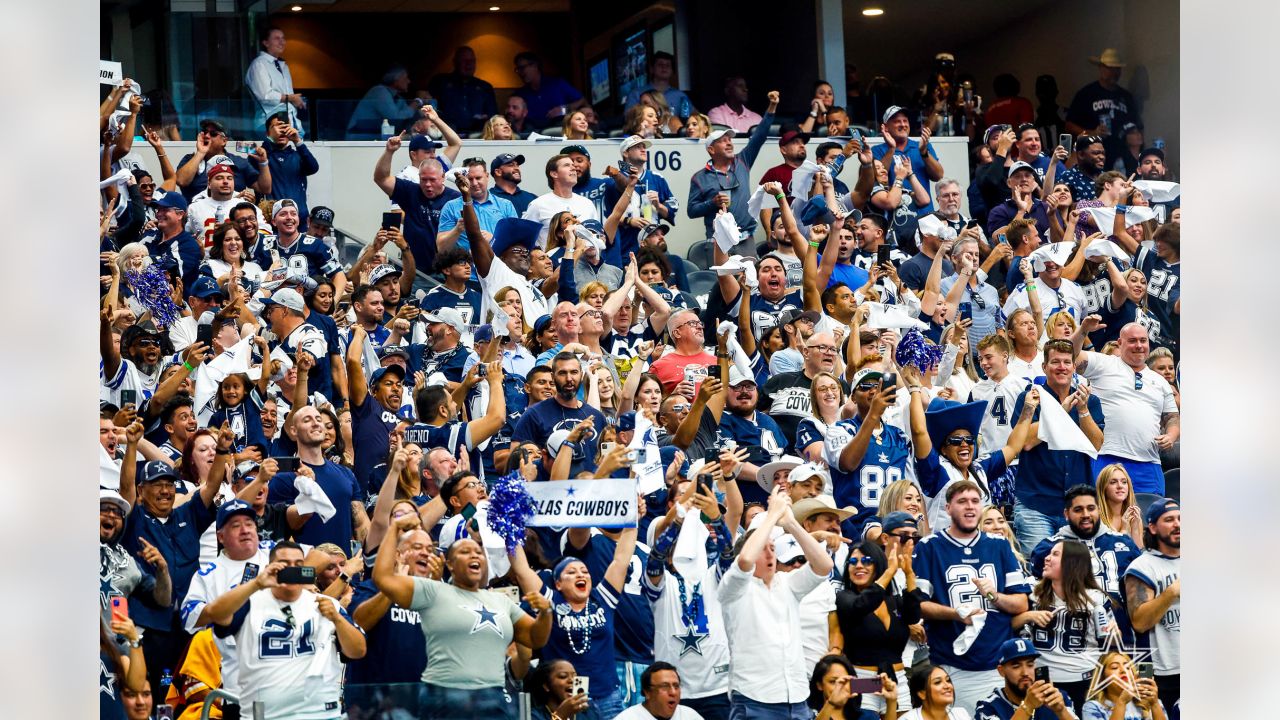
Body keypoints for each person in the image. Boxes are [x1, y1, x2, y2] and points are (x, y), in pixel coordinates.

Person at [206, 541, 367, 719]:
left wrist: (337, 620)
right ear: (270, 567)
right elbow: (215, 613)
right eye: (284, 565)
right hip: (264, 715)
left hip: (321, 714)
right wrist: (257, 584)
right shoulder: (250, 603)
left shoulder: (328, 605)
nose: (292, 570)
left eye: (298, 565)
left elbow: (358, 650)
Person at [912, 481, 1032, 715]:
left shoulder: (998, 545)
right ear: (948, 508)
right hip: (951, 665)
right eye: (962, 501)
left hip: (997, 664)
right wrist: (955, 613)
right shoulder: (930, 546)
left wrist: (993, 596)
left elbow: (1021, 603)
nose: (970, 507)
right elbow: (918, 606)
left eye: (975, 501)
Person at [718, 488, 834, 719]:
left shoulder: (788, 583)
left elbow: (824, 566)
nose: (771, 555)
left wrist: (790, 522)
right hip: (755, 699)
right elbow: (744, 560)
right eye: (764, 549)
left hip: (797, 697)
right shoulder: (733, 587)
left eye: (773, 548)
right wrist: (772, 516)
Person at [1009, 340, 1106, 552]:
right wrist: (1060, 411)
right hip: (1036, 504)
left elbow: (1096, 444)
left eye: (1066, 362)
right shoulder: (1030, 397)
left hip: (1077, 507)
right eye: (1055, 362)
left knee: (1078, 574)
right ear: (1044, 367)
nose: (1061, 367)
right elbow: (1025, 442)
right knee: (1039, 572)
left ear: (1073, 367)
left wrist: (1083, 411)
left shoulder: (1090, 400)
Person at [1070, 320, 1178, 494]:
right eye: (1132, 340)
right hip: (1107, 457)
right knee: (1108, 517)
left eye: (1143, 340)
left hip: (1149, 462)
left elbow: (1172, 417)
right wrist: (1083, 330)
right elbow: (1070, 356)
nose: (1139, 345)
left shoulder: (1160, 381)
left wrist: (1171, 436)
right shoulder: (1104, 363)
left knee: (1150, 517)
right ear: (1120, 343)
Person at [1016, 538, 1116, 712]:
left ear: (1072, 563)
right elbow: (1010, 624)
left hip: (1085, 679)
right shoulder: (1033, 591)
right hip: (1044, 679)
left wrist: (1114, 632)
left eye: (1055, 554)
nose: (1047, 558)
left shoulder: (1095, 598)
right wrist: (1028, 615)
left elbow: (1111, 639)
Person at [831, 539, 919, 715]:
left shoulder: (893, 601)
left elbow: (914, 615)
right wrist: (889, 572)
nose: (859, 566)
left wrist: (908, 573)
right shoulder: (845, 597)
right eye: (853, 562)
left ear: (877, 564)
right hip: (862, 679)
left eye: (867, 561)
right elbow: (861, 605)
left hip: (897, 679)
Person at [687, 91, 778, 254]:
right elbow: (691, 211)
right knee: (722, 280)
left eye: (730, 140)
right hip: (718, 241)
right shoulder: (699, 178)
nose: (729, 143)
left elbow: (760, 135)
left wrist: (772, 106)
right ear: (711, 149)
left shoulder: (743, 160)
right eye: (723, 141)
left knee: (749, 280)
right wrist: (712, 203)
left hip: (745, 240)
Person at [373, 135, 462, 271]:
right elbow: (381, 178)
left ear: (443, 177)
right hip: (415, 270)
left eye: (432, 180)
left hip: (447, 269)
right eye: (423, 179)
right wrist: (389, 152)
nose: (427, 184)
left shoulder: (456, 199)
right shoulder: (411, 191)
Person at [1123, 499, 1180, 712]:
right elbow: (1139, 621)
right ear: (1153, 527)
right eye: (1169, 520)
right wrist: (1171, 592)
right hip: (1160, 670)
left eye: (1180, 519)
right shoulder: (1142, 567)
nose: (1177, 524)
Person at [1065, 49, 1142, 167]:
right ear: (1101, 68)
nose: (1114, 73)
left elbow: (1136, 126)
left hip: (1121, 158)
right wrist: (1092, 133)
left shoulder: (1126, 97)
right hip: (1093, 156)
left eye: (1117, 69)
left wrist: (1133, 139)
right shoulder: (1086, 94)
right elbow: (1069, 125)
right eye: (1110, 68)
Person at [974, 639, 1075, 720]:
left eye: (1030, 665)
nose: (1025, 673)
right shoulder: (988, 707)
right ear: (1001, 671)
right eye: (1016, 666)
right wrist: (1028, 706)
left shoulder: (1059, 698)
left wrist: (1061, 711)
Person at [438, 158, 518, 255]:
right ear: (463, 179)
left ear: (487, 176)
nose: (475, 183)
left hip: (497, 267)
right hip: (466, 268)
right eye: (470, 179)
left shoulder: (505, 205)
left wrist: (494, 239)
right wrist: (457, 230)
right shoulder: (451, 207)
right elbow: (441, 249)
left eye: (478, 178)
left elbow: (516, 243)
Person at [873, 105, 945, 213]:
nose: (903, 125)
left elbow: (938, 176)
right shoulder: (877, 150)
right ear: (886, 127)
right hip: (895, 219)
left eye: (905, 121)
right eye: (897, 121)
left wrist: (924, 153)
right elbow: (877, 178)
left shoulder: (922, 146)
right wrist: (892, 149)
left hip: (925, 216)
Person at [523, 154, 600, 248]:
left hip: (584, 261)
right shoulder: (538, 205)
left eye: (573, 165)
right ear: (554, 174)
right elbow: (526, 239)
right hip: (552, 261)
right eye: (567, 165)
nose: (574, 168)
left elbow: (596, 237)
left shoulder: (587, 204)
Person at [261, 112, 318, 225]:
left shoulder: (297, 156)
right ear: (267, 133)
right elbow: (249, 154)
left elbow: (314, 167)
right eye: (277, 126)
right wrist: (270, 139)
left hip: (298, 220)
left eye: (285, 127)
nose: (282, 131)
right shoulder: (261, 155)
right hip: (270, 221)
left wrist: (297, 141)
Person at [245, 26, 302, 135]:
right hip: (269, 125)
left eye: (283, 38)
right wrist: (291, 98)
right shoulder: (259, 64)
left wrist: (294, 100)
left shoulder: (283, 66)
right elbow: (265, 96)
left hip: (290, 123)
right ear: (266, 43)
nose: (282, 42)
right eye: (277, 38)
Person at [428, 46, 498, 133]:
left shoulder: (485, 87)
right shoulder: (440, 82)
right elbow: (428, 108)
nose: (468, 64)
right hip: (446, 135)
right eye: (464, 60)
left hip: (478, 137)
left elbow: (494, 117)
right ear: (455, 62)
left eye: (472, 61)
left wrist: (485, 118)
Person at [807, 654, 898, 720]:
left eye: (845, 681)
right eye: (833, 681)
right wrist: (830, 704)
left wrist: (891, 701)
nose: (840, 686)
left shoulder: (867, 716)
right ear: (819, 685)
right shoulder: (807, 714)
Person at [1079, 652, 1166, 720]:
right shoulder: (1093, 707)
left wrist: (1154, 704)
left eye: (1128, 667)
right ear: (1102, 678)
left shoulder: (1152, 702)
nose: (1123, 670)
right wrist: (1121, 703)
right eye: (1114, 667)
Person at [348, 65, 424, 139]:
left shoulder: (398, 98)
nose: (408, 81)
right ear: (396, 79)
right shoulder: (379, 92)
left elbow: (407, 117)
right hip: (358, 138)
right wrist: (417, 101)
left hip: (377, 138)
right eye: (405, 77)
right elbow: (395, 118)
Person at [614, 662, 706, 720]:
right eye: (665, 686)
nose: (673, 692)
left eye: (676, 686)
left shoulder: (690, 716)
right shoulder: (627, 718)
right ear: (647, 692)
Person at [513, 51, 586, 123]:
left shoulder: (557, 84)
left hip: (561, 129)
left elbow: (582, 101)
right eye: (518, 69)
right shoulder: (520, 94)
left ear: (535, 65)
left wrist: (563, 110)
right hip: (533, 132)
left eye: (522, 68)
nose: (520, 73)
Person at [1096, 464, 1144, 547]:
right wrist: (1124, 529)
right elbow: (1115, 553)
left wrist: (1135, 529)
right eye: (1113, 482)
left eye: (1124, 482)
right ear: (1103, 488)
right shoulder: (1096, 517)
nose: (1120, 486)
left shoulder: (1134, 517)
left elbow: (1139, 554)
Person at [902, 665, 970, 720]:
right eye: (937, 682)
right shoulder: (908, 718)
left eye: (948, 680)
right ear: (922, 694)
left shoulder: (961, 714)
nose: (947, 686)